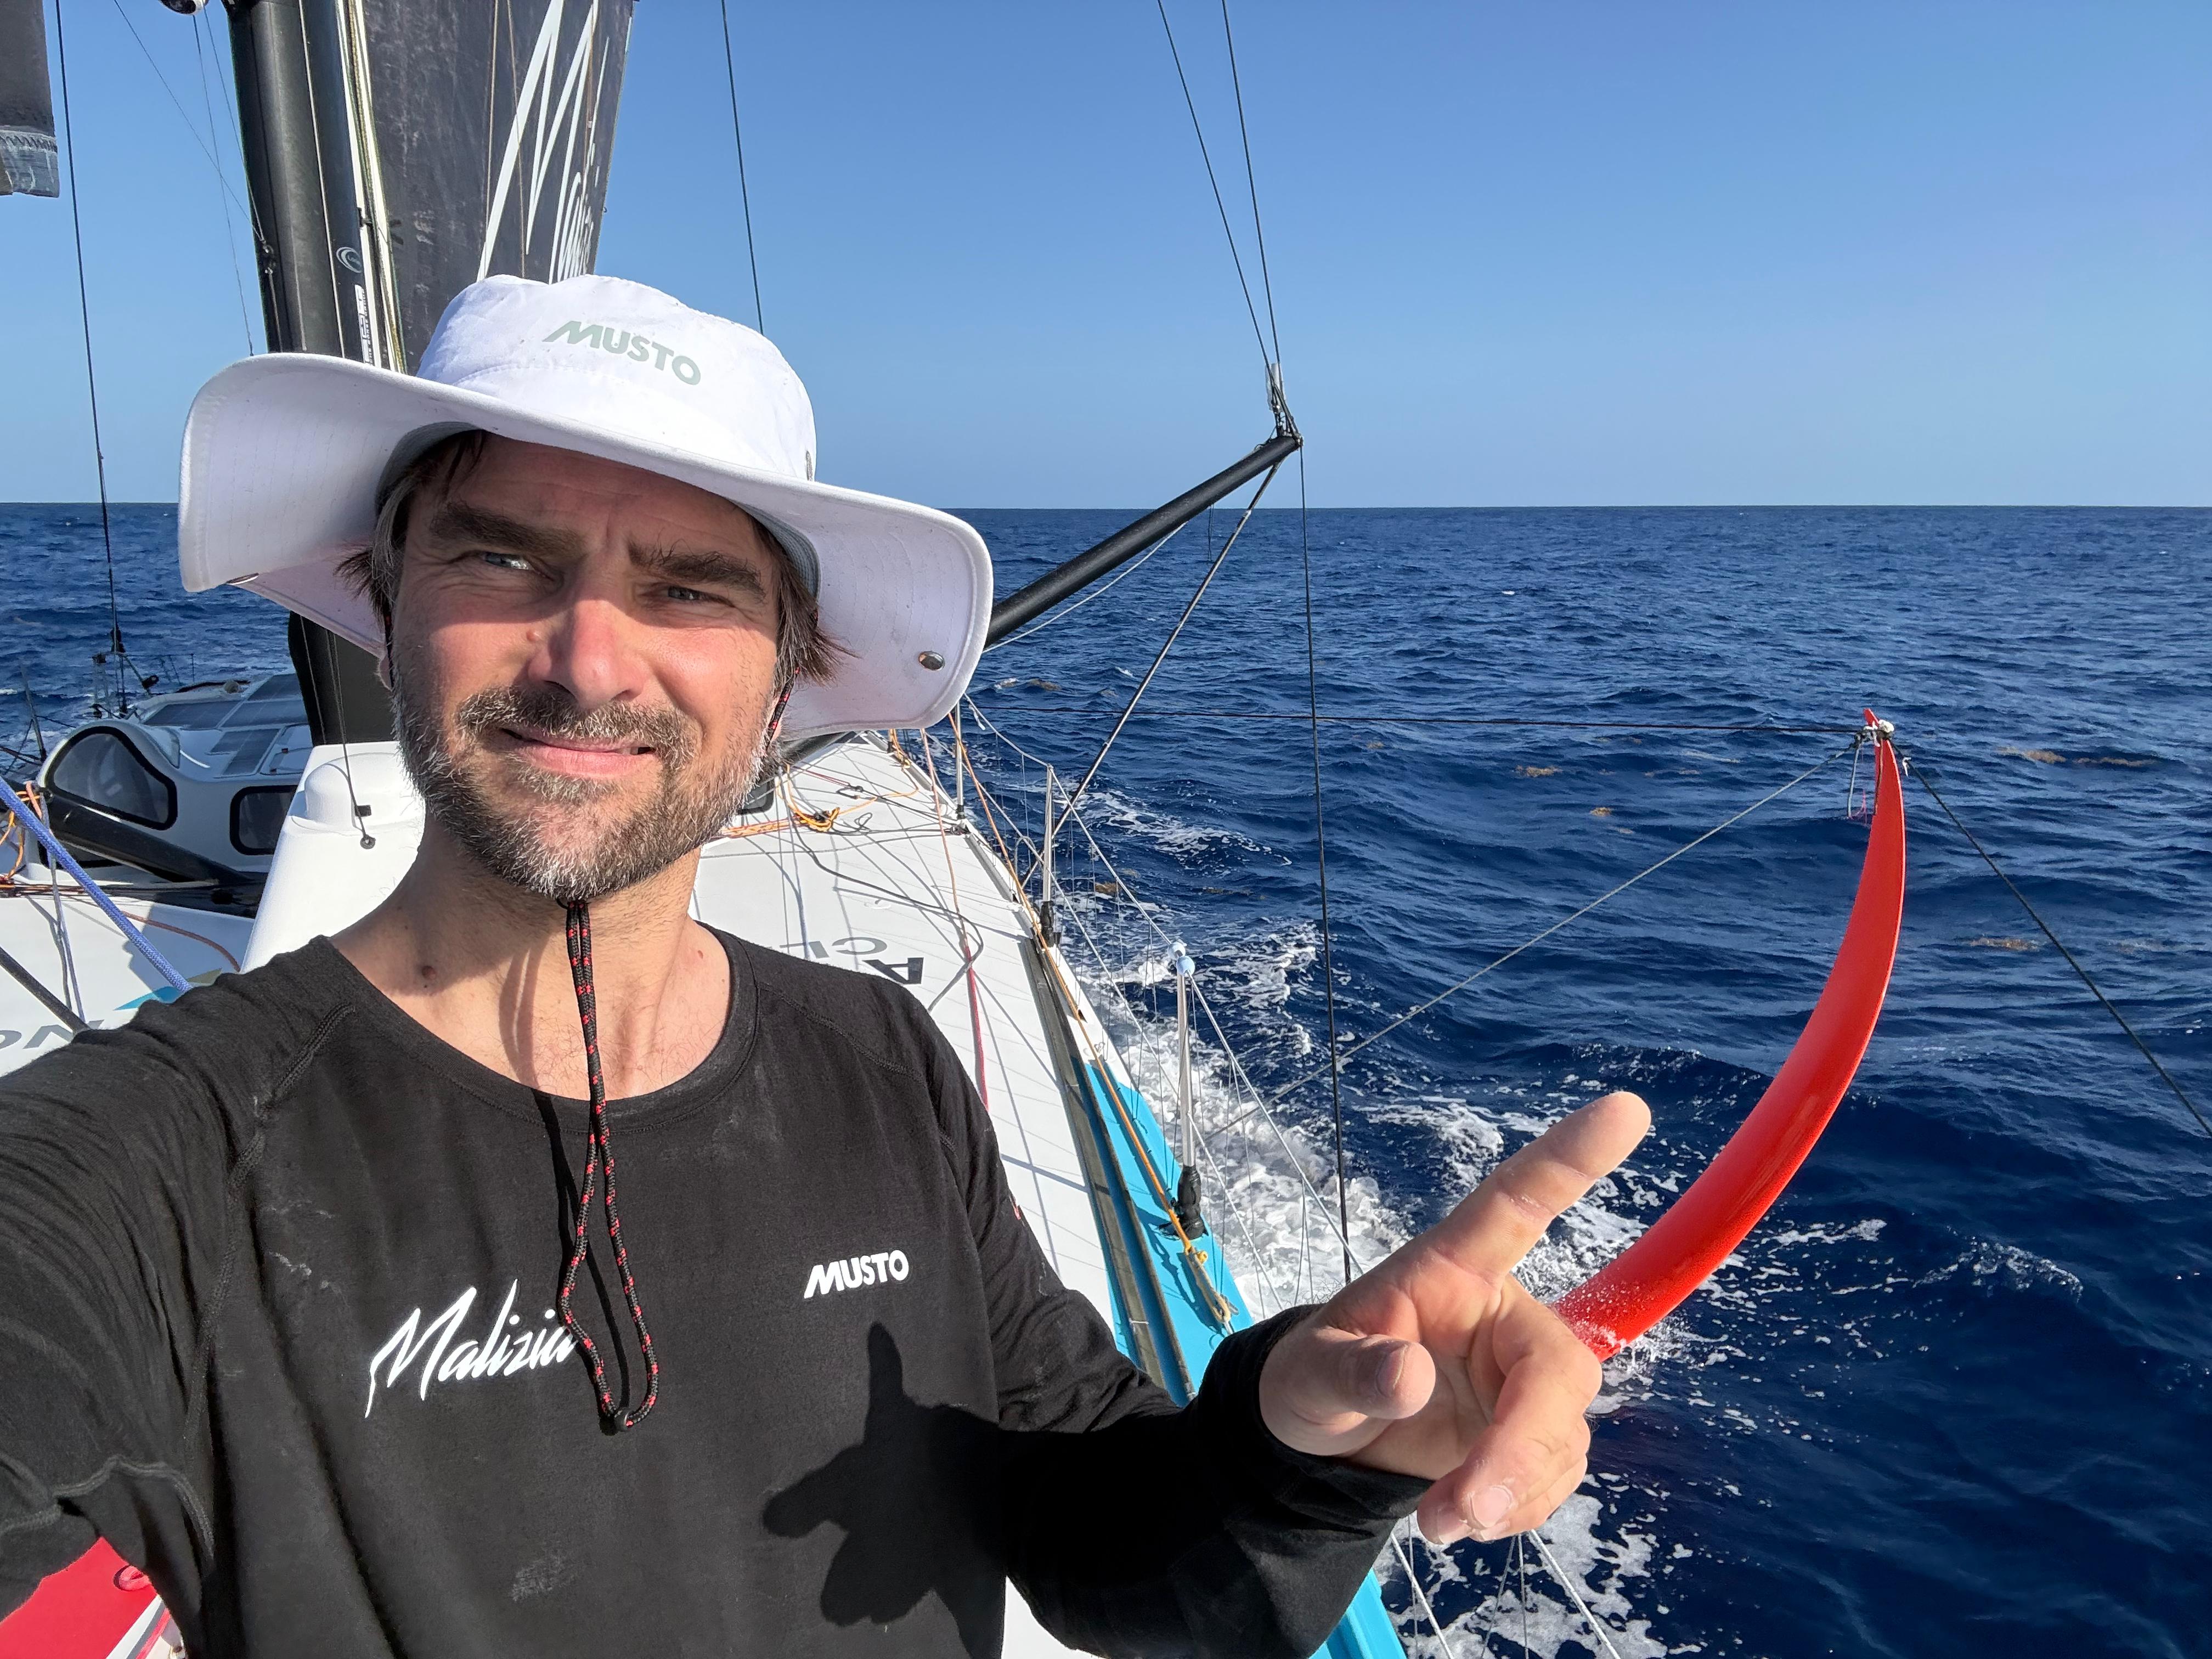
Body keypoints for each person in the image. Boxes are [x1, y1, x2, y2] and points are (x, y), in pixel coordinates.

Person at [0, 274, 1650, 1658]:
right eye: (502, 558)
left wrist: (1298, 1449)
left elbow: (1106, 1545)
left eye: (689, 587)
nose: (587, 658)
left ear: (794, 671)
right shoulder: (143, 1166)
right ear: (385, 597)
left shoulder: (878, 1058)